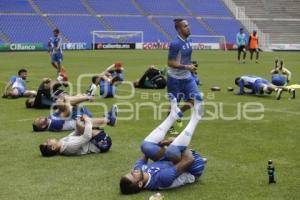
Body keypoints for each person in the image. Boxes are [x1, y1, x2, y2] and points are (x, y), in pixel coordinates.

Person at [120, 95, 206, 194]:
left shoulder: (139, 170)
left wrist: (155, 145)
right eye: (132, 174)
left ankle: (172, 116)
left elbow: (146, 152)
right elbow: (189, 159)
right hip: (193, 166)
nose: (132, 170)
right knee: (171, 151)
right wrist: (172, 141)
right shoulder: (162, 179)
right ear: (140, 184)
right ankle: (196, 118)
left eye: (130, 172)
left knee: (145, 146)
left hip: (171, 160)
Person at [167, 18, 202, 134]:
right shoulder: (175, 44)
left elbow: (186, 59)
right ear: (178, 29)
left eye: (188, 25)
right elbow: (170, 62)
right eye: (185, 26)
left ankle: (179, 113)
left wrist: (191, 68)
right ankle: (169, 126)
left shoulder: (188, 41)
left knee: (196, 99)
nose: (188, 27)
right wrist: (187, 67)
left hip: (187, 77)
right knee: (173, 105)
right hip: (174, 79)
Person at [32, 95, 118, 132]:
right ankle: (109, 120)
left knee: (63, 100)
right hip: (75, 121)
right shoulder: (54, 124)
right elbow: (67, 111)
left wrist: (62, 100)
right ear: (43, 126)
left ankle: (87, 96)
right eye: (39, 120)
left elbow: (59, 110)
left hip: (73, 117)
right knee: (67, 101)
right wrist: (67, 102)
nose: (40, 117)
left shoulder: (50, 119)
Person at [39, 115, 112, 157]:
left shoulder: (61, 142)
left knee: (81, 124)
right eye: (47, 142)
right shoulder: (68, 147)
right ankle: (109, 120)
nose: (48, 139)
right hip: (102, 144)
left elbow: (75, 133)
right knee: (85, 123)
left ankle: (108, 119)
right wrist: (87, 121)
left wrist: (78, 122)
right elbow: (87, 137)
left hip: (94, 139)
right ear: (53, 147)